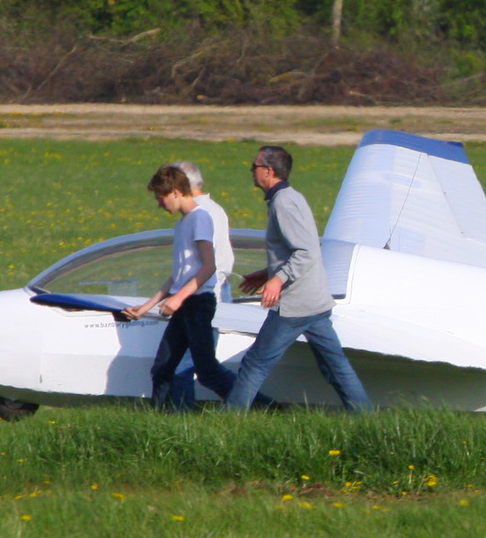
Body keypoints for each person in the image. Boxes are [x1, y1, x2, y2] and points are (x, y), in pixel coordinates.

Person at [226, 145, 372, 412]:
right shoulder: (290, 198)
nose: (252, 172)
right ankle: (366, 419)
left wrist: (278, 279)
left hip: (295, 306)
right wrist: (266, 274)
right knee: (336, 367)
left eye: (254, 167)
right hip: (315, 302)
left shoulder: (284, 203)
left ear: (268, 171)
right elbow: (301, 248)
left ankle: (228, 421)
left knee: (255, 364)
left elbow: (305, 250)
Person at [121, 165, 236, 410]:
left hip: (198, 304)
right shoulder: (183, 223)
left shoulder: (200, 217)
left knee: (206, 371)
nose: (159, 204)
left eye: (160, 198)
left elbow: (209, 267)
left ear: (175, 192)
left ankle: (258, 405)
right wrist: (147, 306)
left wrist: (178, 299)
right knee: (162, 366)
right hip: (185, 303)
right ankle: (164, 418)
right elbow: (178, 276)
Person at [173, 161, 234, 301]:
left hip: (205, 291)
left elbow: (208, 263)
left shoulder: (197, 213)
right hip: (219, 284)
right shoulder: (215, 208)